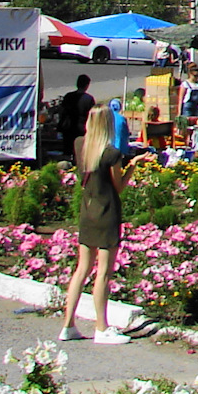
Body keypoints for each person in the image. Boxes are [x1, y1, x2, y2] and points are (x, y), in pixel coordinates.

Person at [59, 106, 131, 345]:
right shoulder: (111, 153)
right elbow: (118, 187)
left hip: (87, 212)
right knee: (103, 273)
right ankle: (101, 327)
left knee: (82, 269)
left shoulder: (81, 145)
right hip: (107, 212)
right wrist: (133, 167)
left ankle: (68, 324)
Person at [58, 75, 96, 162]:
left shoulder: (68, 96)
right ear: (87, 85)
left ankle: (66, 168)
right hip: (82, 128)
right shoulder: (89, 99)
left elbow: (62, 111)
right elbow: (92, 116)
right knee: (80, 151)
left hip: (68, 128)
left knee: (67, 151)